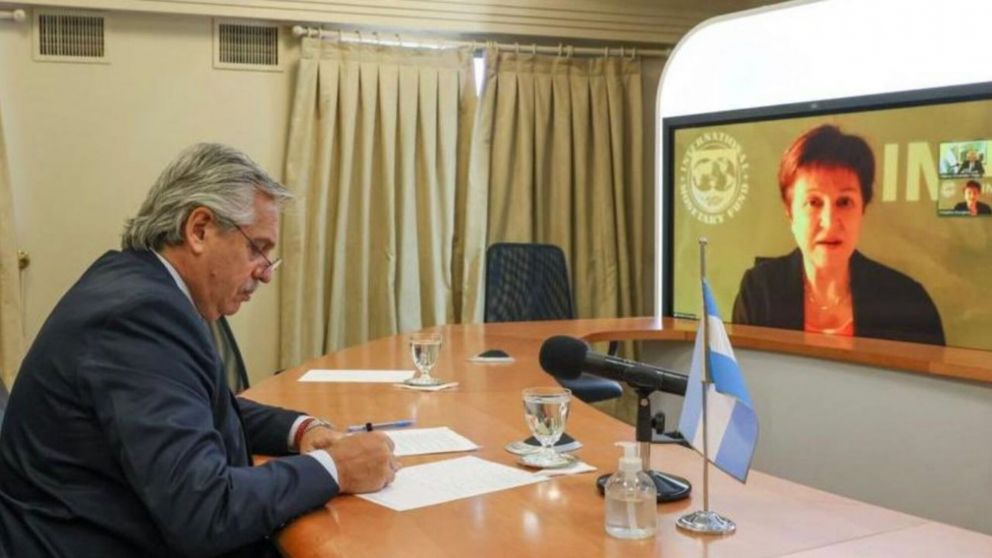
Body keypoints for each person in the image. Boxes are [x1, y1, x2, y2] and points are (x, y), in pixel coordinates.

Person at [0, 144, 399, 558]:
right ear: (200, 229)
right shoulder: (139, 316)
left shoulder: (135, 283)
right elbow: (204, 512)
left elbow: (198, 403)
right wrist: (336, 470)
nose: (264, 274)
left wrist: (302, 430)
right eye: (257, 249)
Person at [732, 125, 945, 346]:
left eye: (844, 202)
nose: (830, 221)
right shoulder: (759, 292)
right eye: (813, 202)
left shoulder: (909, 303)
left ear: (862, 208)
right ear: (790, 213)